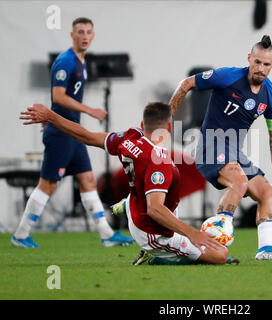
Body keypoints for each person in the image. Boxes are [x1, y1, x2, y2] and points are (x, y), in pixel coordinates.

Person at [19, 102, 228, 265]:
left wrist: (51, 117)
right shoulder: (159, 162)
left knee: (151, 193)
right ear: (169, 128)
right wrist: (192, 233)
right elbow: (155, 209)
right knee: (220, 255)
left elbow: (86, 136)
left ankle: (127, 206)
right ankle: (158, 256)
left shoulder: (129, 138)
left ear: (143, 124)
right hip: (152, 231)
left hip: (136, 208)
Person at [168, 35, 272, 260]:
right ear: (249, 58)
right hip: (210, 146)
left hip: (236, 154)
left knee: (269, 195)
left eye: (266, 64)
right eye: (256, 62)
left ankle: (265, 249)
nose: (260, 68)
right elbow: (186, 83)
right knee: (240, 181)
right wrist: (165, 119)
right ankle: (213, 241)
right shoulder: (227, 76)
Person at [11, 17, 133, 248]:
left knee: (87, 179)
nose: (85, 36)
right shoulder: (66, 61)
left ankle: (106, 234)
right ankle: (20, 234)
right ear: (72, 35)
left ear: (93, 35)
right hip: (62, 133)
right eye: (80, 32)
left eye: (88, 32)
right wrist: (89, 110)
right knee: (48, 184)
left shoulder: (80, 61)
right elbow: (57, 96)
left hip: (72, 133)